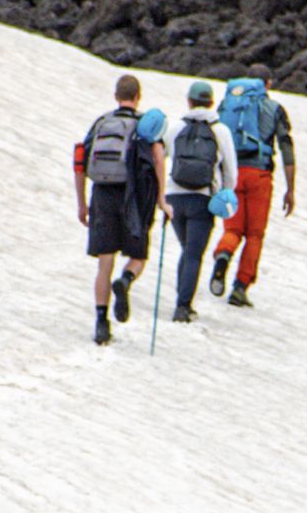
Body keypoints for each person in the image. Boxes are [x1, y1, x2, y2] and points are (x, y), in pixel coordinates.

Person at [72, 73, 159, 344]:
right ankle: (127, 280)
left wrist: (82, 203)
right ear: (138, 96)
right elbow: (156, 159)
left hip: (102, 194)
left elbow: (79, 162)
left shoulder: (101, 123)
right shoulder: (145, 125)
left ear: (116, 96)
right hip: (133, 196)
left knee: (104, 262)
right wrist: (160, 200)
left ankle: (101, 322)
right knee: (139, 255)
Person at [207, 76, 295, 308]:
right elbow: (286, 146)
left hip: (233, 174)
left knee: (233, 229)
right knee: (254, 235)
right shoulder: (274, 108)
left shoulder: (229, 104)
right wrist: (290, 189)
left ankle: (223, 254)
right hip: (260, 176)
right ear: (268, 83)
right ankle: (240, 287)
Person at [160, 81, 233, 324]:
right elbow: (230, 170)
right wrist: (225, 195)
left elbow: (160, 157)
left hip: (174, 198)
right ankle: (183, 307)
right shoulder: (219, 130)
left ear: (189, 101)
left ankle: (183, 297)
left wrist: (160, 195)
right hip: (202, 199)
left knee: (187, 250)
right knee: (193, 254)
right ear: (211, 102)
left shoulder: (176, 127)